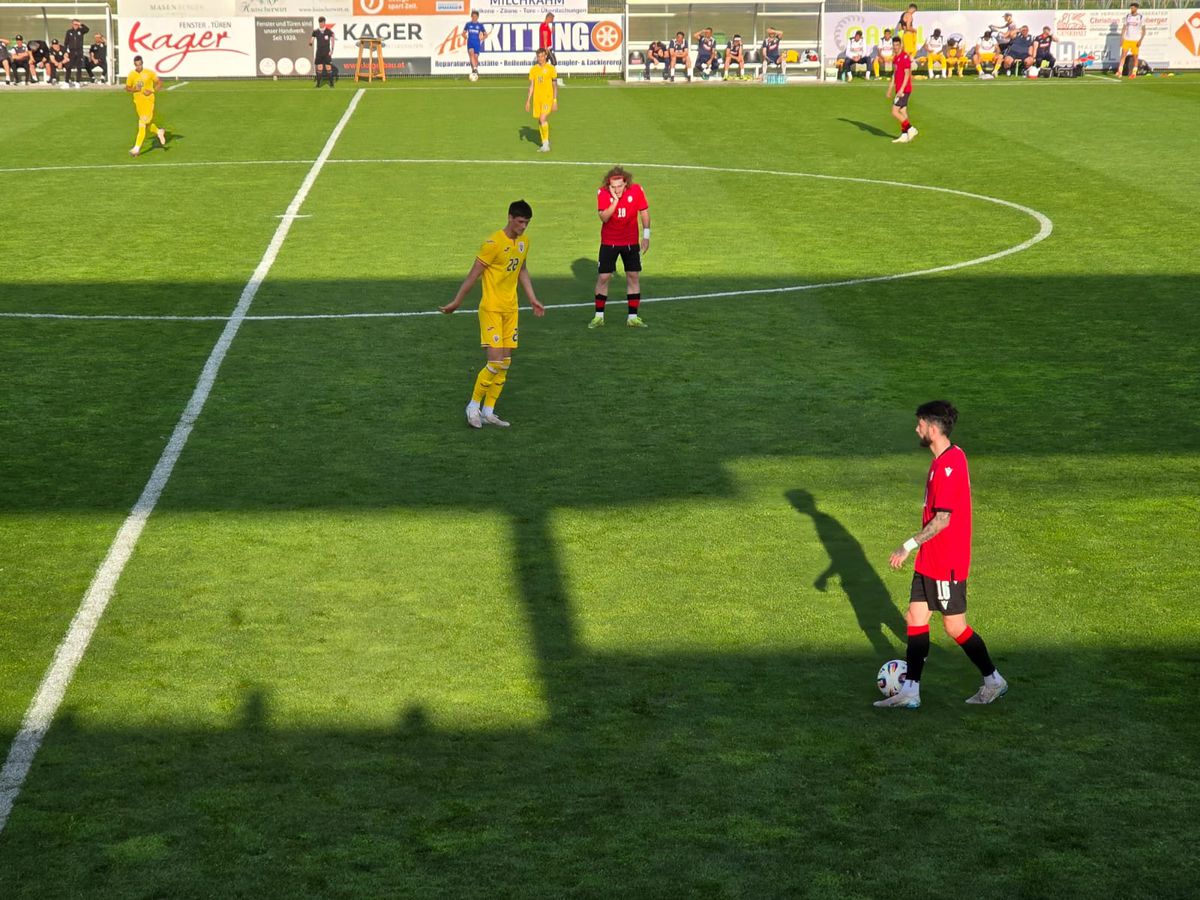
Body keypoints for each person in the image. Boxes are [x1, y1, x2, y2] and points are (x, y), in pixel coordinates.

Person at [874, 401, 1008, 709]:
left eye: (920, 424)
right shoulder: (944, 460)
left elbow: (943, 519)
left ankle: (993, 680)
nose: (916, 429)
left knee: (954, 627)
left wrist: (907, 545)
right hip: (930, 560)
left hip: (946, 562)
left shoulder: (949, 466)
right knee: (915, 617)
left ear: (932, 428)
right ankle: (911, 690)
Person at [439, 200, 545, 429]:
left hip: (511, 309)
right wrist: (457, 301)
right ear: (510, 217)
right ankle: (473, 406)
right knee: (494, 362)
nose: (523, 227)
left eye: (526, 223)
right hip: (492, 309)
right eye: (520, 222)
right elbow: (472, 275)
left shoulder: (524, 242)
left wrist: (532, 298)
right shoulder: (492, 243)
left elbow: (522, 270)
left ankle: (488, 411)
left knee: (505, 363)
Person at [590, 166, 650, 330]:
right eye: (613, 186)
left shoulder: (637, 191)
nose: (616, 190)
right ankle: (598, 316)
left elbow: (644, 211)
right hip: (609, 242)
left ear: (626, 184)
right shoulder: (603, 193)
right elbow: (604, 217)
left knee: (633, 276)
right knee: (603, 277)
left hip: (630, 242)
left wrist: (646, 236)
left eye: (619, 186)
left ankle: (632, 317)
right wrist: (615, 201)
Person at [124, 55, 167, 157]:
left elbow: (159, 83)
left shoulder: (149, 73)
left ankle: (136, 148)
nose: (139, 66)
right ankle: (158, 131)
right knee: (147, 124)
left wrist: (152, 90)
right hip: (138, 104)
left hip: (149, 102)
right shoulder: (132, 75)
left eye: (140, 64)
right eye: (137, 65)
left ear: (142, 63)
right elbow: (127, 88)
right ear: (134, 64)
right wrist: (135, 89)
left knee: (142, 123)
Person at [525, 47, 557, 153]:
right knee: (539, 120)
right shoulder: (533, 69)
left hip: (547, 98)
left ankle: (546, 144)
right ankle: (544, 143)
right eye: (538, 56)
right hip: (537, 99)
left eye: (542, 56)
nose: (540, 58)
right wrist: (528, 100)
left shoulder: (551, 68)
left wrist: (555, 100)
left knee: (543, 118)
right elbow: (531, 86)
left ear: (546, 56)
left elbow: (555, 85)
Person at [887, 35, 917, 144]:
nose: (895, 47)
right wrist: (890, 89)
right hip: (899, 89)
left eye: (897, 45)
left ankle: (911, 129)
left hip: (904, 89)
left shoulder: (905, 57)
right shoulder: (895, 58)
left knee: (894, 112)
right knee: (903, 111)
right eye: (893, 45)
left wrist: (901, 90)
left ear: (900, 45)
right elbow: (895, 74)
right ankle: (904, 135)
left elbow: (907, 74)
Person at [1115, 3, 1145, 78]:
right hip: (1127, 39)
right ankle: (1119, 72)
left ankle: (1134, 73)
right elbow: (1124, 27)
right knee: (1123, 55)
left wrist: (1140, 40)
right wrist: (1122, 38)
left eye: (1133, 8)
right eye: (1131, 8)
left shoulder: (1140, 17)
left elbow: (1144, 30)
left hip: (1135, 40)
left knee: (1135, 57)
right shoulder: (1128, 16)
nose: (1131, 9)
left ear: (1136, 8)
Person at [309, 16, 335, 88]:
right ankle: (318, 84)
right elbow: (312, 38)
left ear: (324, 22)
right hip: (319, 53)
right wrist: (310, 43)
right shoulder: (316, 31)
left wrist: (332, 50)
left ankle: (331, 84)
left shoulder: (328, 31)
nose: (321, 24)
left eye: (322, 22)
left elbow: (333, 39)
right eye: (320, 22)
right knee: (319, 68)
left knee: (328, 68)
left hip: (327, 52)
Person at [63, 17, 89, 87]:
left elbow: (87, 29)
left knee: (79, 67)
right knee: (69, 67)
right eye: (74, 24)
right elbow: (66, 42)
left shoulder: (81, 31)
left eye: (76, 24)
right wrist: (65, 52)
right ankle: (66, 82)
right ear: (72, 24)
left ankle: (78, 81)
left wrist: (80, 24)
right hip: (71, 51)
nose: (75, 25)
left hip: (79, 51)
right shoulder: (69, 32)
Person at [463, 11, 488, 79]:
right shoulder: (468, 24)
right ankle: (475, 69)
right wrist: (465, 36)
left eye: (475, 16)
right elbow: (463, 33)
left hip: (477, 43)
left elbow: (486, 34)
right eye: (473, 16)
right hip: (470, 42)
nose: (474, 18)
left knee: (476, 57)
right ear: (471, 16)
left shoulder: (480, 25)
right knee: (471, 54)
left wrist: (482, 38)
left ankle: (474, 71)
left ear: (477, 17)